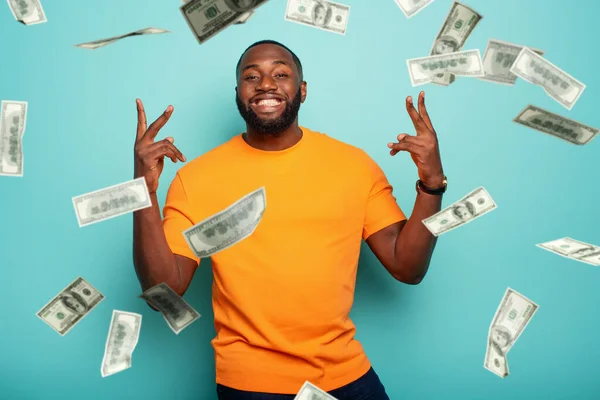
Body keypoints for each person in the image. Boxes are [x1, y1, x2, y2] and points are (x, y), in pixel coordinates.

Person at [133, 40, 446, 400]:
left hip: (347, 375)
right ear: (239, 94)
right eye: (252, 77)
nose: (266, 84)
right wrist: (143, 191)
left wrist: (432, 185)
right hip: (251, 384)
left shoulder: (354, 167)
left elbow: (408, 268)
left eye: (281, 74)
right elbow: (163, 292)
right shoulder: (197, 178)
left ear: (303, 90)